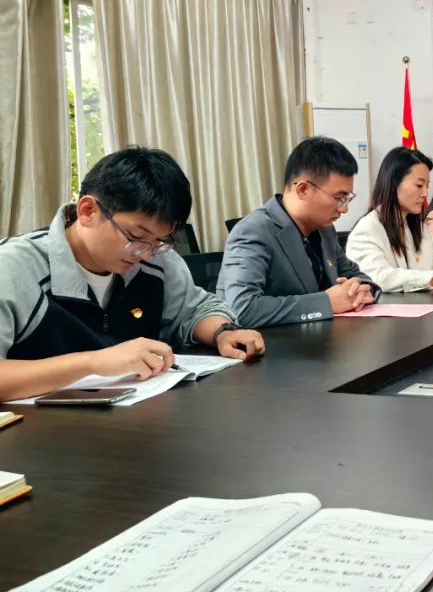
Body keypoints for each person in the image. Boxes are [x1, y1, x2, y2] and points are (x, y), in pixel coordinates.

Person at [0, 147, 265, 402]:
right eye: (136, 237)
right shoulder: (15, 268)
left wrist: (223, 331)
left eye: (158, 241)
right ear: (87, 211)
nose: (145, 253)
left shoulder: (156, 260)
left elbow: (195, 308)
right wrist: (93, 362)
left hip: (136, 427)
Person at [217, 137, 381, 327]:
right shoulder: (253, 231)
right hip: (271, 350)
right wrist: (326, 302)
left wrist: (360, 290)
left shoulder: (325, 230)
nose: (344, 209)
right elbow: (241, 309)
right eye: (338, 198)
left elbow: (355, 275)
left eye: (347, 198)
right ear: (302, 189)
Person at [346, 147, 433, 292]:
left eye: (427, 186)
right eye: (419, 185)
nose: (425, 193)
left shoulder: (418, 227)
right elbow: (380, 278)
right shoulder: (368, 228)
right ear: (394, 183)